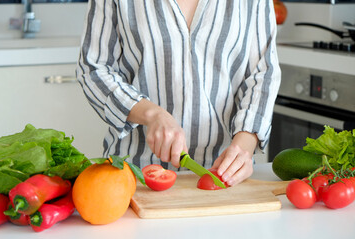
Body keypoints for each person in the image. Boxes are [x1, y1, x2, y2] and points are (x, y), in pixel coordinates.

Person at [76, 0, 281, 186]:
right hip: (135, 174)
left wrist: (243, 146)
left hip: (225, 176)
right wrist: (152, 114)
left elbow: (263, 73)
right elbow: (93, 68)